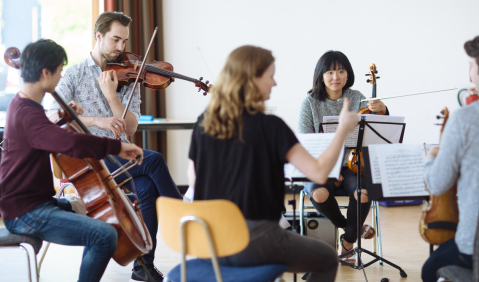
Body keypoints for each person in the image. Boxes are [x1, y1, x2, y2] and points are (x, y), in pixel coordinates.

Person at [187, 45, 359, 282]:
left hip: (210, 241)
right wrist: (342, 131)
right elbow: (319, 173)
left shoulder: (203, 122)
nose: (274, 83)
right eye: (270, 76)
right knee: (328, 258)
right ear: (252, 79)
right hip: (255, 240)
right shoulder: (272, 127)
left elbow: (193, 181)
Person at [44, 12, 181, 282]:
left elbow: (130, 128)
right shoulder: (74, 74)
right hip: (90, 157)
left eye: (125, 41)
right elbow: (51, 117)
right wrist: (98, 120)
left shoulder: (130, 72)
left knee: (147, 188)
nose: (121, 47)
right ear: (98, 36)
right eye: (115, 39)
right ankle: (185, 214)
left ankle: (143, 265)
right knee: (152, 160)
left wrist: (111, 96)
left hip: (120, 154)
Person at [0, 39, 144, 282]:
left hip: (36, 203)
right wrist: (118, 146)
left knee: (97, 214)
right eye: (59, 71)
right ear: (45, 73)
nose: (61, 77)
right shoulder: (27, 113)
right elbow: (71, 144)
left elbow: (46, 136)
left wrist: (67, 115)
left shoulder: (24, 105)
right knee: (104, 235)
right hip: (26, 212)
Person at [298, 50, 389, 263]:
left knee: (364, 192)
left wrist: (383, 111)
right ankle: (348, 226)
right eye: (329, 72)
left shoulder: (357, 97)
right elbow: (307, 141)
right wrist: (331, 169)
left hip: (353, 164)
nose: (335, 76)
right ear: (321, 76)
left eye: (340, 71)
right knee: (319, 194)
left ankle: (348, 242)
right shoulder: (309, 102)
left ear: (348, 74)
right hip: (320, 164)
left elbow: (376, 130)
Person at [421, 36, 479, 282]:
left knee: (429, 270)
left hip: (474, 245)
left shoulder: (465, 118)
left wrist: (431, 158)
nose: (469, 73)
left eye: (471, 65)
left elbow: (437, 184)